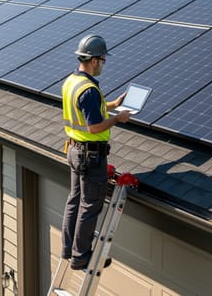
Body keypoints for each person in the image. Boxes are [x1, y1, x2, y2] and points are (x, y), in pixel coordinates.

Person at [60, 34, 131, 270]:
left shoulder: (72, 81)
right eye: (103, 60)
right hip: (90, 156)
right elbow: (94, 126)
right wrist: (117, 119)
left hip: (74, 150)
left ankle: (68, 249)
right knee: (90, 205)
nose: (103, 64)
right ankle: (81, 256)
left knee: (74, 200)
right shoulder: (89, 89)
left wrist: (113, 104)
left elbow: (86, 110)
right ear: (93, 60)